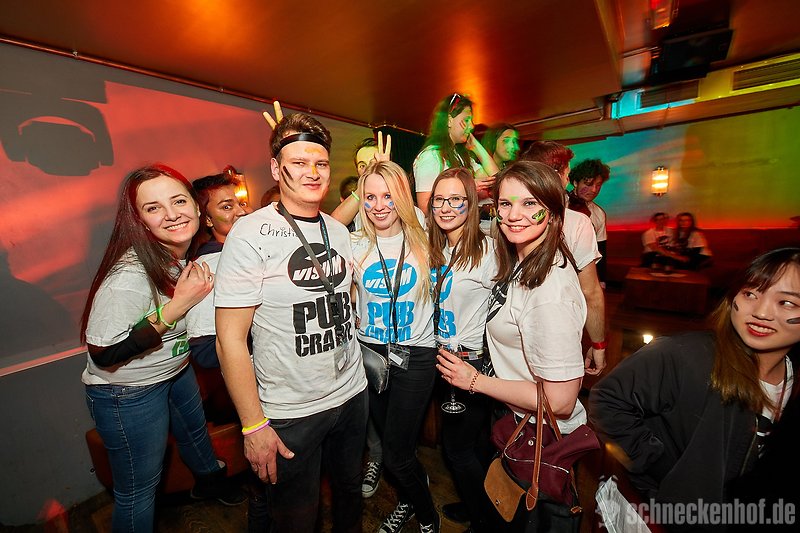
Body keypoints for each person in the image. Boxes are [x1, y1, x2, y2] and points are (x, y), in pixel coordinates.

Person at [214, 103, 368, 533]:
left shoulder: (337, 230)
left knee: (349, 495)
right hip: (291, 411)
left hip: (352, 393)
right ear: (276, 168)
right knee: (297, 518)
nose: (312, 172)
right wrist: (252, 425)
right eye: (299, 163)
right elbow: (229, 340)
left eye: (321, 163)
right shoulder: (250, 234)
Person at [81, 164, 245, 532]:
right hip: (128, 391)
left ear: (196, 207)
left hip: (175, 369)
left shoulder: (184, 255)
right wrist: (178, 306)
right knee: (138, 491)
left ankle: (210, 485)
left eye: (178, 201)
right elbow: (104, 353)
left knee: (195, 435)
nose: (172, 214)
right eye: (153, 207)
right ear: (138, 220)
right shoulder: (129, 275)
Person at [589, 248, 800, 530]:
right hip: (649, 518)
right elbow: (606, 400)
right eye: (750, 294)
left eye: (786, 303)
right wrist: (661, 467)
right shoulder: (685, 354)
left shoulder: (793, 379)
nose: (761, 312)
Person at [437, 161, 587, 530]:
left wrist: (475, 381)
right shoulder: (525, 261)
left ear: (553, 211)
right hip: (517, 419)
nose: (513, 215)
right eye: (505, 203)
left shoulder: (548, 291)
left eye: (529, 203)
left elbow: (560, 400)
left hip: (541, 435)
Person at [350, 160, 439, 533]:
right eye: (369, 197)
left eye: (388, 196)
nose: (379, 205)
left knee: (398, 455)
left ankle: (427, 516)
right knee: (391, 444)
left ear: (402, 197)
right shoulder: (353, 243)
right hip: (371, 355)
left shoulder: (426, 237)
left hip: (415, 354)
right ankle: (408, 497)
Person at [426, 167, 498, 532]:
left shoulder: (488, 252)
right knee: (472, 445)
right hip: (442, 359)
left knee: (458, 449)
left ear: (471, 203)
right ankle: (477, 506)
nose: (445, 207)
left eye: (456, 199)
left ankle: (484, 520)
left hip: (471, 362)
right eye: (439, 200)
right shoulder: (436, 247)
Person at [520, 141, 607, 376]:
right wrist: (598, 344)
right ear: (555, 174)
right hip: (557, 329)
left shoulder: (509, 218)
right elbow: (590, 291)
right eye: (566, 174)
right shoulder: (577, 222)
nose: (568, 181)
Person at [413, 93, 499, 215]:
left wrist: (476, 146)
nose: (471, 126)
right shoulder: (432, 156)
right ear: (449, 121)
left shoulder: (460, 156)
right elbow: (425, 207)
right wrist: (466, 188)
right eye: (466, 120)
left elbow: (495, 178)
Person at [568, 158, 610, 284]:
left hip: (584, 274)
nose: (594, 190)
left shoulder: (599, 214)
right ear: (575, 182)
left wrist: (601, 281)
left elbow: (600, 250)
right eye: (589, 184)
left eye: (598, 185)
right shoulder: (560, 204)